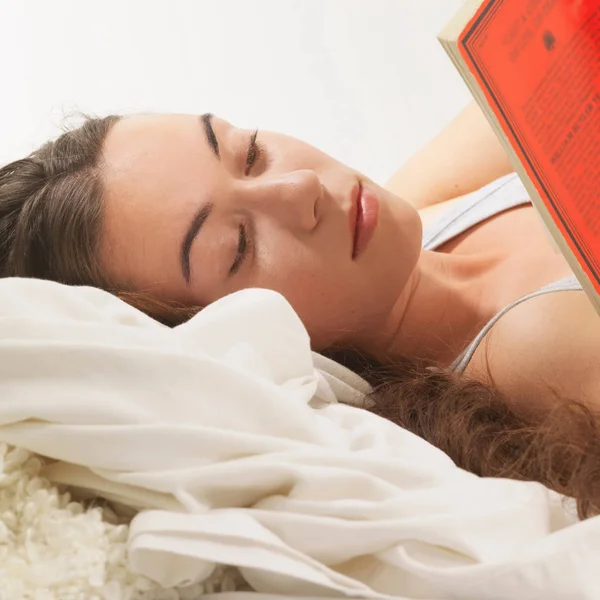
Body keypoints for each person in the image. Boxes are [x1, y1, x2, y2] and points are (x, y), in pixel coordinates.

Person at [1, 102, 599, 517]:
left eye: (249, 152)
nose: (300, 190)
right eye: (236, 245)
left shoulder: (411, 210)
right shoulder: (538, 345)